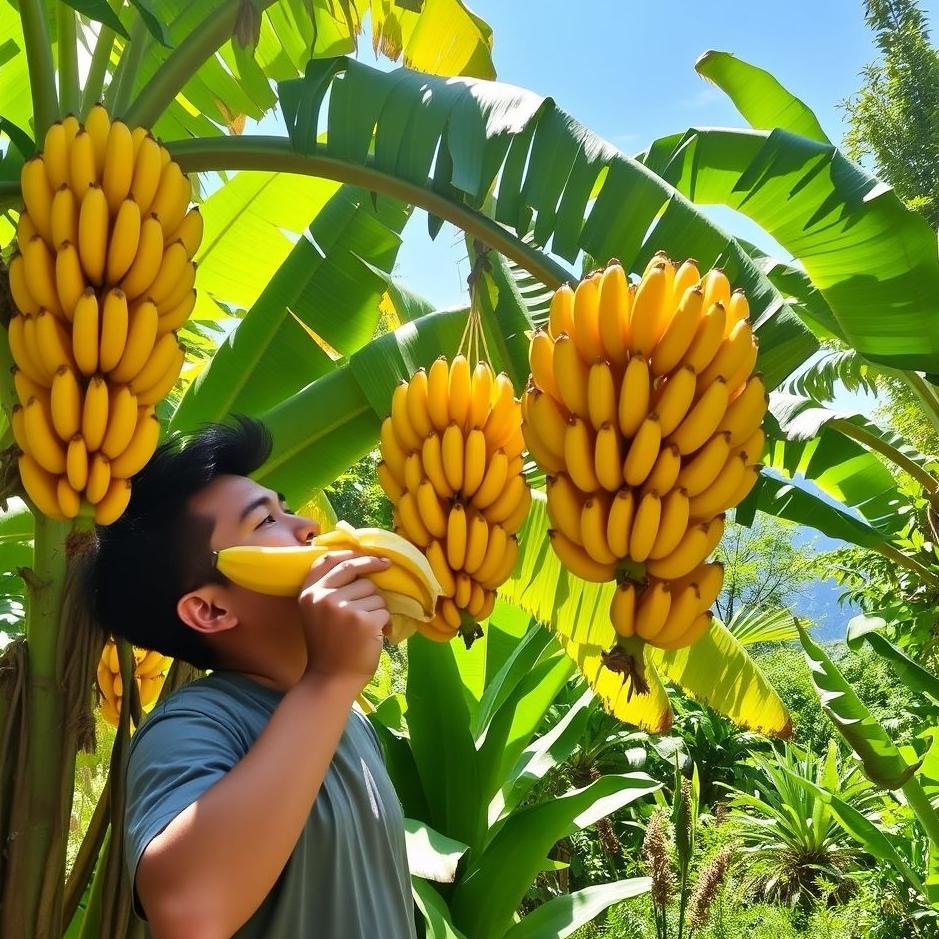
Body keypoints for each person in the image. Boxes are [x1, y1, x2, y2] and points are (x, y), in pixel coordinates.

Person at [89, 415, 418, 939]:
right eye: (265, 522)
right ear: (210, 611)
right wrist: (330, 680)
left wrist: (333, 689)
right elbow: (189, 912)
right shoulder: (194, 725)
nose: (306, 527)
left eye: (284, 508)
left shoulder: (351, 723)